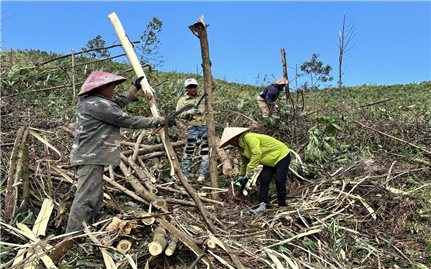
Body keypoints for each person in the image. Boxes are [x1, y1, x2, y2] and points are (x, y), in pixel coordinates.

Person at [66, 70, 169, 234]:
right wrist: (159, 121)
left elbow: (117, 103)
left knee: (95, 197)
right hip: (90, 157)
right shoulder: (95, 104)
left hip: (92, 156)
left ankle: (84, 232)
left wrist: (134, 89)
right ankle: (71, 237)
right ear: (102, 88)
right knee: (86, 198)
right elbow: (126, 120)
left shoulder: (96, 102)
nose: (114, 90)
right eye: (112, 87)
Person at [218, 127, 291, 214]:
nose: (231, 144)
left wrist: (249, 170)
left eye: (230, 142)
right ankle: (262, 204)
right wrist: (242, 176)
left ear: (235, 138)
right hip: (269, 161)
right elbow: (244, 162)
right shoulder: (241, 147)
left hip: (281, 155)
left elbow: (257, 154)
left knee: (279, 180)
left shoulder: (249, 137)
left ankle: (282, 205)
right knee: (264, 179)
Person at [176, 78, 208, 182]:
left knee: (205, 151)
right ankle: (185, 174)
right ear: (186, 88)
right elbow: (178, 114)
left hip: (205, 126)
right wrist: (189, 113)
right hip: (192, 127)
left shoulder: (203, 97)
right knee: (189, 150)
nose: (193, 88)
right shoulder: (182, 100)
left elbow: (213, 86)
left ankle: (202, 175)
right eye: (190, 87)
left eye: (194, 86)